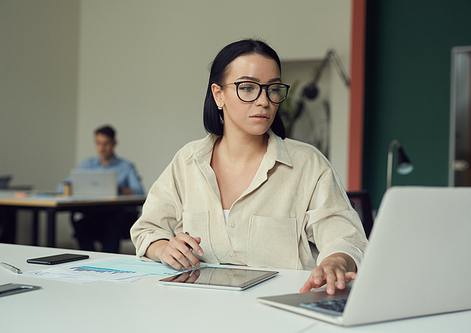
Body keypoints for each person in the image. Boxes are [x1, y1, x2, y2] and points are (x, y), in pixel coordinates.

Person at [130, 39, 368, 295]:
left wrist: (335, 262)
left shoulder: (308, 164)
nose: (264, 101)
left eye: (273, 89)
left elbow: (345, 238)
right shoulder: (188, 160)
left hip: (279, 313)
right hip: (198, 312)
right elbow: (147, 229)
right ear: (218, 94)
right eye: (247, 88)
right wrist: (162, 247)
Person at [58, 125, 145, 253]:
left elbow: (140, 192)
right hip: (93, 214)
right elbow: (61, 187)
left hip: (117, 215)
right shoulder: (87, 164)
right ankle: (89, 258)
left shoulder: (126, 167)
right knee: (81, 224)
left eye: (106, 143)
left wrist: (118, 190)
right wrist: (76, 187)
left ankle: (109, 261)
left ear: (114, 143)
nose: (102, 148)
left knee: (112, 223)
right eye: (98, 143)